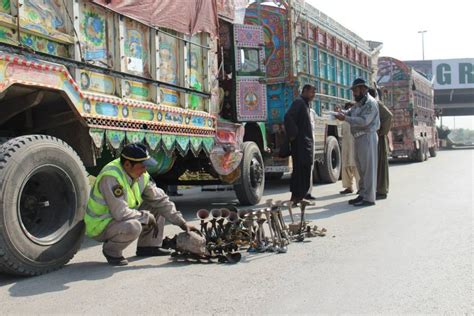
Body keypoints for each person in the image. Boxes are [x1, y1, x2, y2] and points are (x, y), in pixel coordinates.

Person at [84, 143, 197, 266]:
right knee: (133, 226)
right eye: (142, 166)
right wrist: (145, 216)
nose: (145, 171)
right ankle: (112, 251)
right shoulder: (111, 177)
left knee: (157, 203)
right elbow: (120, 213)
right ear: (127, 164)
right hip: (100, 225)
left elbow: (160, 199)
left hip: (117, 219)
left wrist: (182, 223)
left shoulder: (141, 174)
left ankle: (149, 246)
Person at [335, 78, 380, 206]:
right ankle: (362, 194)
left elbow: (364, 121)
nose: (354, 93)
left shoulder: (370, 103)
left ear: (363, 89)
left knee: (368, 170)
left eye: (356, 90)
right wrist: (341, 113)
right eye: (354, 90)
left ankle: (369, 198)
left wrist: (346, 118)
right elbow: (350, 112)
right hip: (359, 138)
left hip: (367, 137)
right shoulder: (360, 103)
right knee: (361, 169)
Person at [284, 84, 316, 204]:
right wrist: (294, 135)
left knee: (303, 170)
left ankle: (298, 197)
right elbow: (288, 117)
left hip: (304, 143)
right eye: (312, 92)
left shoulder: (304, 104)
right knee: (300, 170)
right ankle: (297, 197)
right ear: (305, 91)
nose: (313, 96)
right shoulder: (299, 103)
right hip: (300, 144)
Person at [368, 88, 393, 200]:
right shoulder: (370, 105)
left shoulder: (376, 104)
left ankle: (382, 190)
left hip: (380, 138)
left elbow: (388, 116)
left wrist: (382, 131)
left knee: (381, 164)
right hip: (374, 137)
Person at [340, 103, 360, 194]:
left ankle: (360, 188)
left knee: (356, 167)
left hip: (355, 147)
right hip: (346, 147)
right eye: (347, 109)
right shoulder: (344, 122)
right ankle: (348, 187)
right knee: (346, 167)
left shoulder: (356, 120)